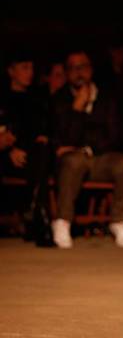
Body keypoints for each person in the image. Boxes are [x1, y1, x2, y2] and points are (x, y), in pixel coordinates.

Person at [51, 49, 123, 248]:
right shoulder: (59, 99)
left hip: (100, 158)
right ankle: (63, 221)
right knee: (73, 160)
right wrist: (77, 110)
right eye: (73, 68)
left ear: (91, 69)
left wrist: (87, 148)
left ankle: (118, 221)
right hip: (74, 161)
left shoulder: (106, 98)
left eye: (83, 67)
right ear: (67, 72)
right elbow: (63, 138)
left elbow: (115, 136)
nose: (79, 72)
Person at [0, 53, 53, 245]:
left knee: (42, 151)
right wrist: (9, 150)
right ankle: (38, 215)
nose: (29, 73)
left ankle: (34, 210)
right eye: (24, 67)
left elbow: (42, 131)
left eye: (31, 68)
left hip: (32, 158)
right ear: (11, 71)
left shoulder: (38, 99)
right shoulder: (4, 98)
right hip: (6, 156)